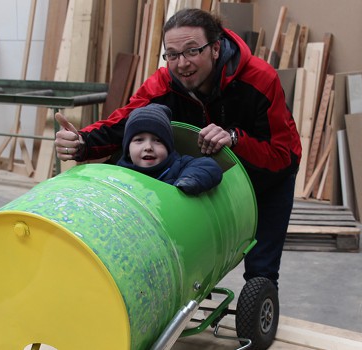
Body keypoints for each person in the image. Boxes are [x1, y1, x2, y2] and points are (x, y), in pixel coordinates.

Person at [54, 8, 301, 289]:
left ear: (216, 48)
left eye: (192, 51)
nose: (182, 63)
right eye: (172, 54)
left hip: (267, 177)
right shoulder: (163, 83)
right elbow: (123, 123)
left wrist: (235, 138)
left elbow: (284, 156)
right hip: (203, 174)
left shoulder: (260, 79)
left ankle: (261, 301)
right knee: (194, 261)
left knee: (260, 271)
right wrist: (82, 142)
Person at [115, 103, 222, 195]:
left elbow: (209, 166)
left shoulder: (179, 165)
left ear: (168, 147)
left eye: (157, 140)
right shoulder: (118, 173)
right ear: (127, 150)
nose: (148, 147)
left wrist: (189, 180)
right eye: (139, 140)